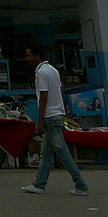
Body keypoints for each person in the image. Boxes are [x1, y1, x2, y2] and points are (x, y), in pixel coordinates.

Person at [21, 42, 88, 196]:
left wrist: (40, 121)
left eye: (29, 55)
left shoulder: (41, 74)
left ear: (37, 57)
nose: (27, 58)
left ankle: (81, 184)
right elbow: (60, 92)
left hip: (50, 117)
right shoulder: (53, 70)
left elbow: (43, 97)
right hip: (57, 114)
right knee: (46, 152)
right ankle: (39, 184)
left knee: (62, 151)